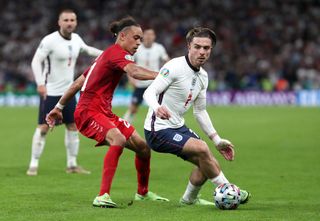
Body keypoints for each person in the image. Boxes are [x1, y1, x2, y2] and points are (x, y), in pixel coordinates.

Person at [46, 16, 168, 208]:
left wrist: (59, 107)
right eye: (136, 38)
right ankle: (102, 196)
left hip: (103, 112)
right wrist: (165, 75)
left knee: (143, 148)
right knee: (118, 139)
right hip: (88, 112)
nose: (139, 43)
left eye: (140, 39)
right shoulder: (116, 53)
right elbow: (134, 72)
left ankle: (142, 193)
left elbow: (79, 82)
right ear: (122, 36)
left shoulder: (105, 55)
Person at [143, 27, 250, 205]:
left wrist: (217, 140)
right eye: (197, 47)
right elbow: (149, 92)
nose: (201, 52)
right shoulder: (174, 66)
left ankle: (188, 200)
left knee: (207, 162)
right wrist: (156, 107)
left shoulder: (203, 76)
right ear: (189, 46)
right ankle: (230, 191)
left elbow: (200, 111)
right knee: (201, 148)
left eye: (206, 48)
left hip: (177, 126)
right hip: (157, 130)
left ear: (211, 50)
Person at [26, 9, 103, 176]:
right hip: (51, 91)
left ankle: (72, 165)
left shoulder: (76, 39)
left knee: (73, 126)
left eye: (72, 20)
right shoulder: (49, 41)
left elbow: (88, 50)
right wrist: (40, 83)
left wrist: (108, 55)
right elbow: (36, 61)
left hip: (68, 92)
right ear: (59, 22)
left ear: (76, 22)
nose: (69, 23)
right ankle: (33, 164)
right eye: (66, 20)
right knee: (44, 127)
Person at [123, 28, 169, 123]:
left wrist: (168, 73)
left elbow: (167, 60)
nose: (149, 37)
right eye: (147, 34)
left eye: (151, 35)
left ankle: (161, 127)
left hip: (155, 83)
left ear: (154, 37)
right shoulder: (137, 47)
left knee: (159, 107)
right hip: (140, 83)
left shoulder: (159, 48)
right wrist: (131, 79)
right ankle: (124, 126)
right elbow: (128, 63)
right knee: (133, 108)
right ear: (143, 36)